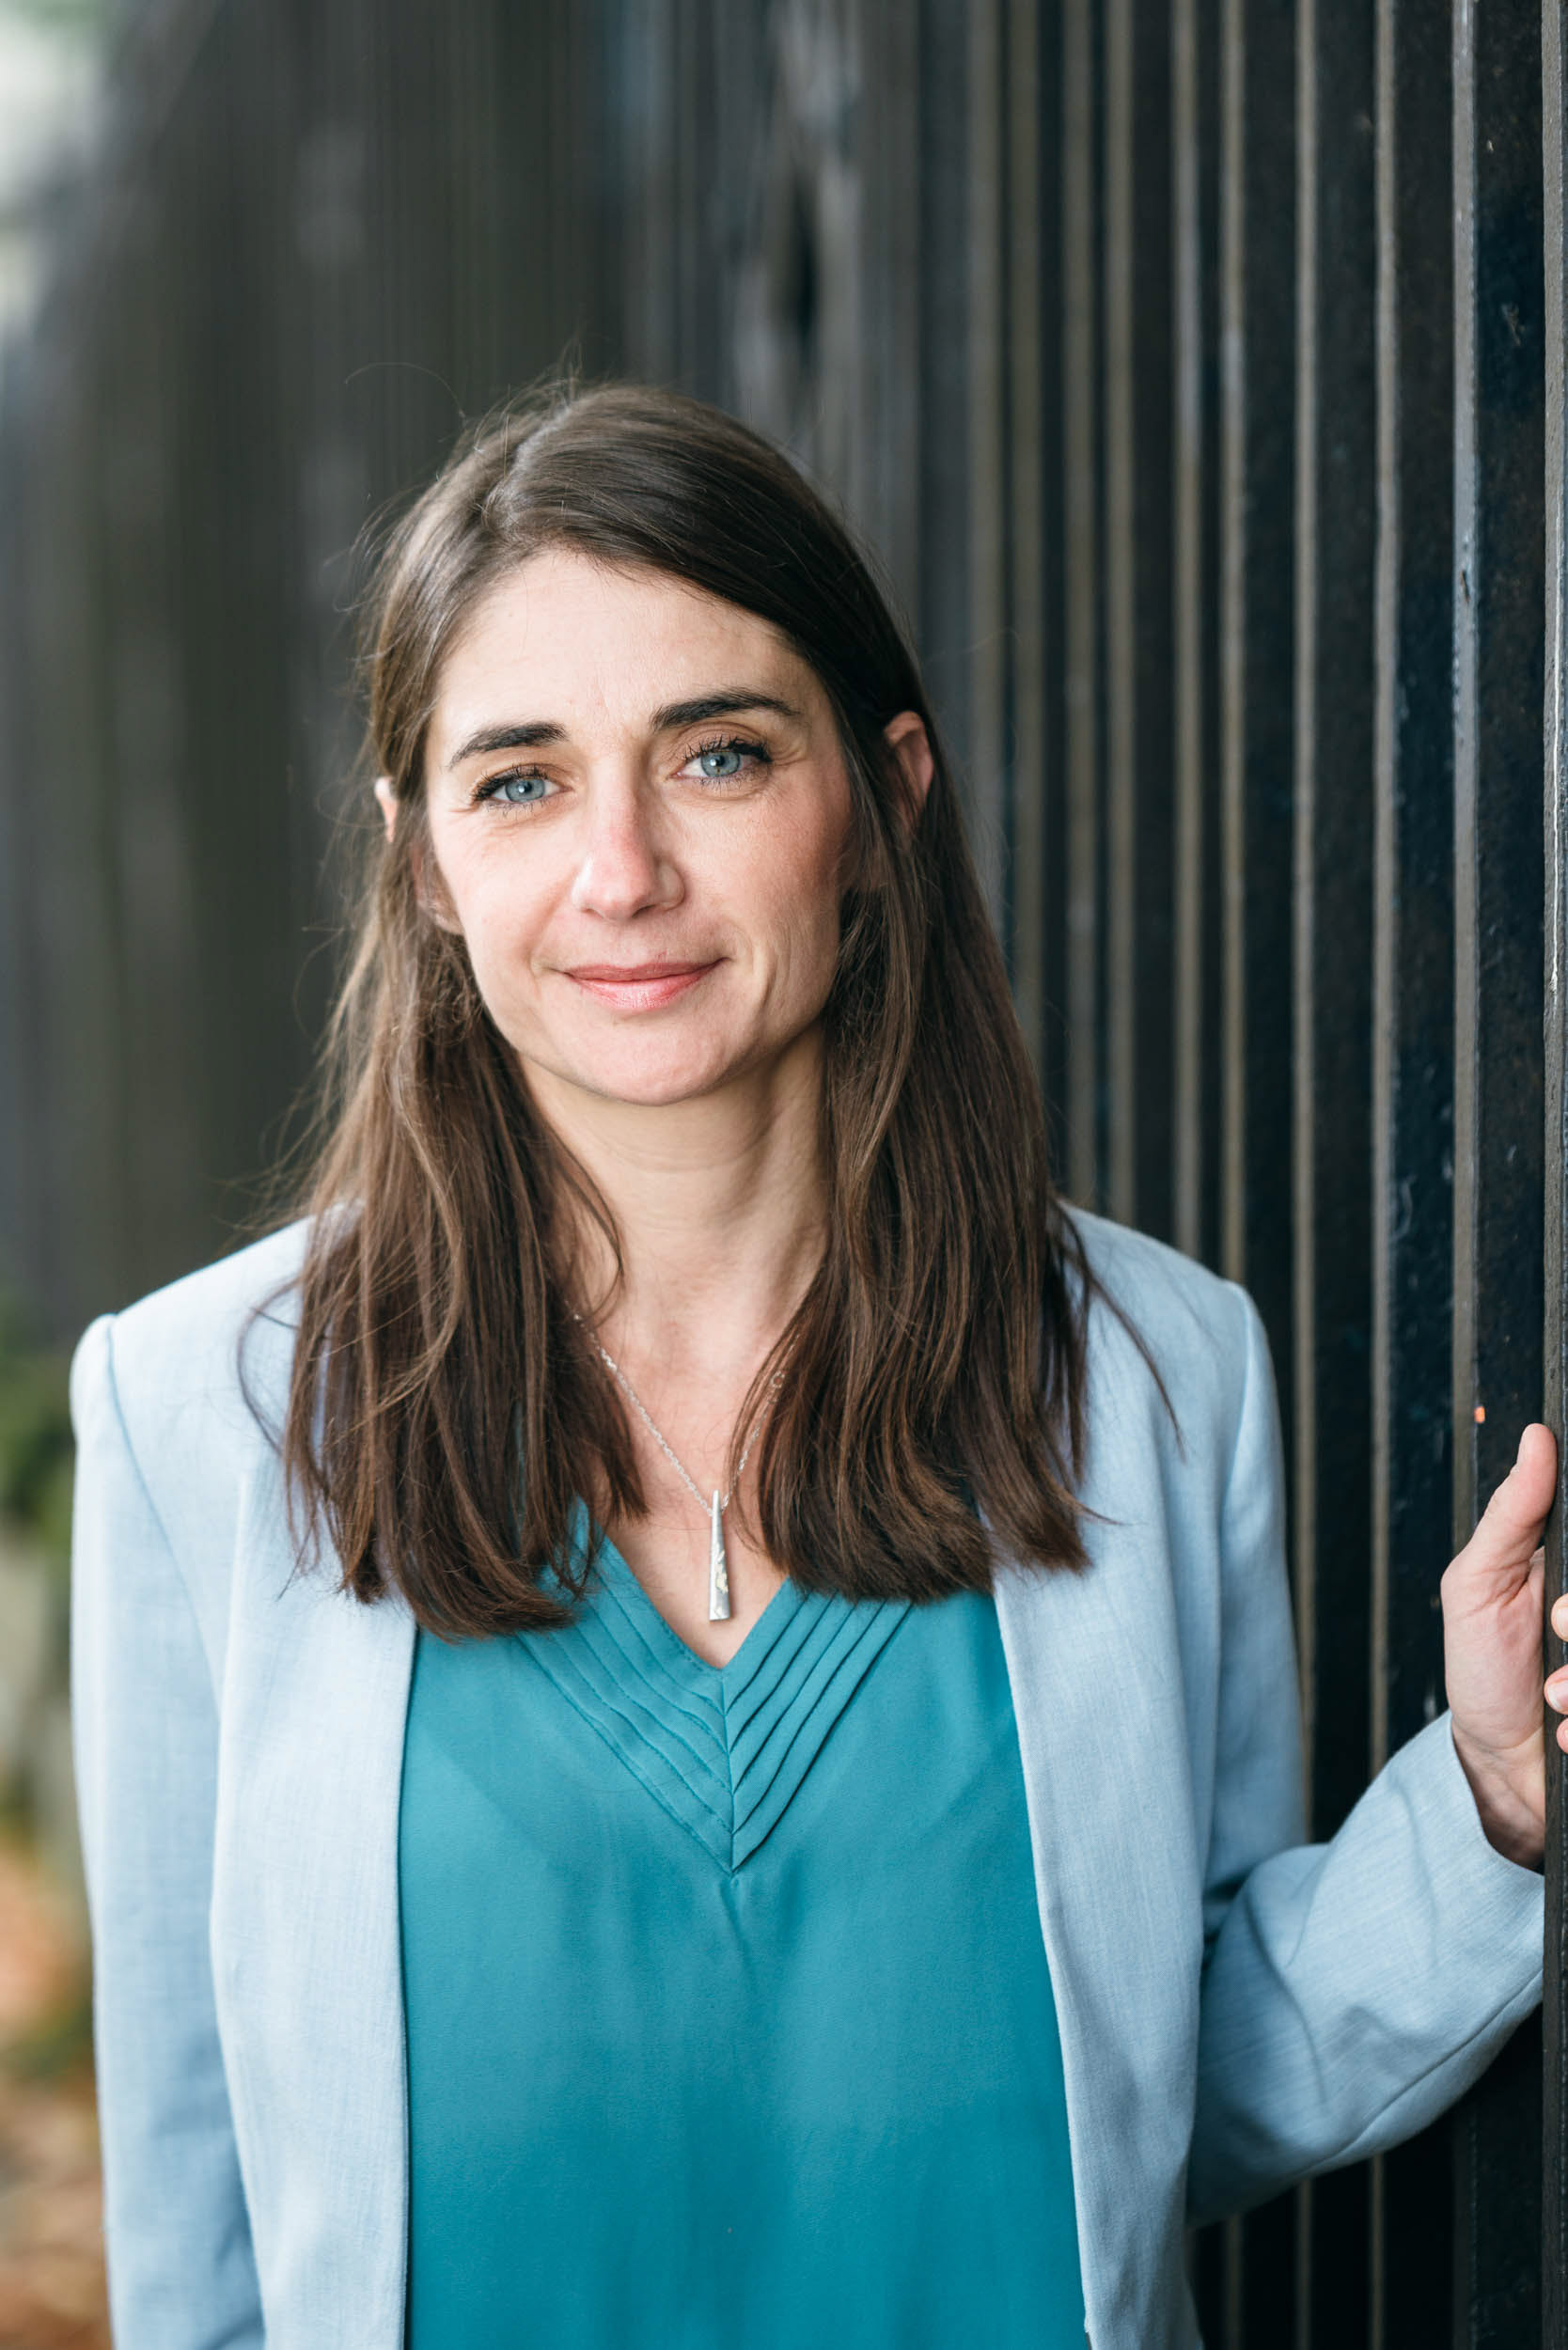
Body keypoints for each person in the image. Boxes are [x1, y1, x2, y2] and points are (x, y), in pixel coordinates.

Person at [70, 382, 1560, 2350]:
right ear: (423, 862)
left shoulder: (1154, 1372)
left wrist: (1492, 1804)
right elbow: (201, 2210)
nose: (620, 867)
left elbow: (1170, 2075)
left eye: (717, 753)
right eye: (517, 778)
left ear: (884, 796)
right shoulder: (200, 1414)